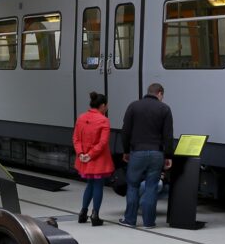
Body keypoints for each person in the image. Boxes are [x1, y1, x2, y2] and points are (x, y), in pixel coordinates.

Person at [120, 83, 173, 228]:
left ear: (148, 92)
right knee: (152, 187)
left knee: (133, 186)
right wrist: (168, 156)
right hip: (156, 153)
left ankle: (130, 220)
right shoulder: (164, 109)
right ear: (160, 93)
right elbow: (168, 135)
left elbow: (125, 131)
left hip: (137, 152)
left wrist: (125, 151)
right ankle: (149, 222)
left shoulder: (133, 106)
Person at [72, 91, 114, 227]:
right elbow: (103, 143)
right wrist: (90, 155)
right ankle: (95, 215)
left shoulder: (81, 117)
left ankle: (83, 213)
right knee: (98, 185)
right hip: (97, 159)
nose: (107, 107)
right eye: (106, 105)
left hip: (84, 158)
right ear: (102, 106)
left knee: (90, 184)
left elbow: (76, 139)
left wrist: (81, 154)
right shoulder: (104, 120)